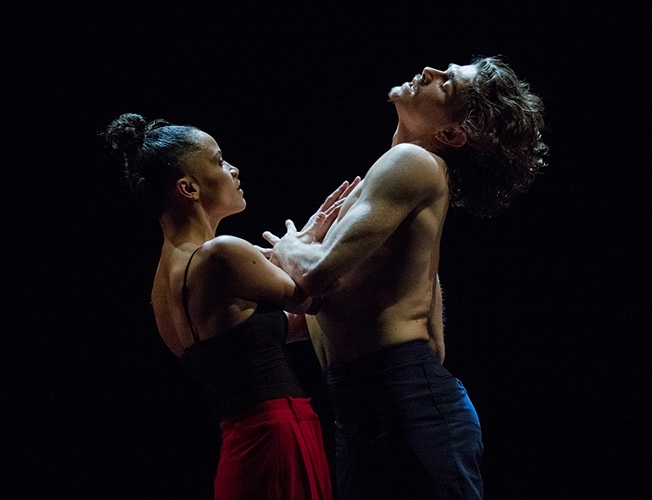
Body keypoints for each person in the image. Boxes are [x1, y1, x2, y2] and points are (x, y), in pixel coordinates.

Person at [263, 57, 548, 499]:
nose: (431, 71)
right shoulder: (401, 178)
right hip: (372, 406)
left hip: (403, 403)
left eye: (447, 85)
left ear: (451, 134)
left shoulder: (411, 160)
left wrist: (290, 248)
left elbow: (317, 274)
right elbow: (341, 303)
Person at [103, 113, 352, 500]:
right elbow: (314, 297)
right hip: (277, 438)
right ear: (188, 188)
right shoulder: (221, 254)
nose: (233, 169)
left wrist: (299, 247)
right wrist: (308, 246)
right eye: (219, 161)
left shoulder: (162, 287)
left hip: (243, 443)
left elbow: (273, 334)